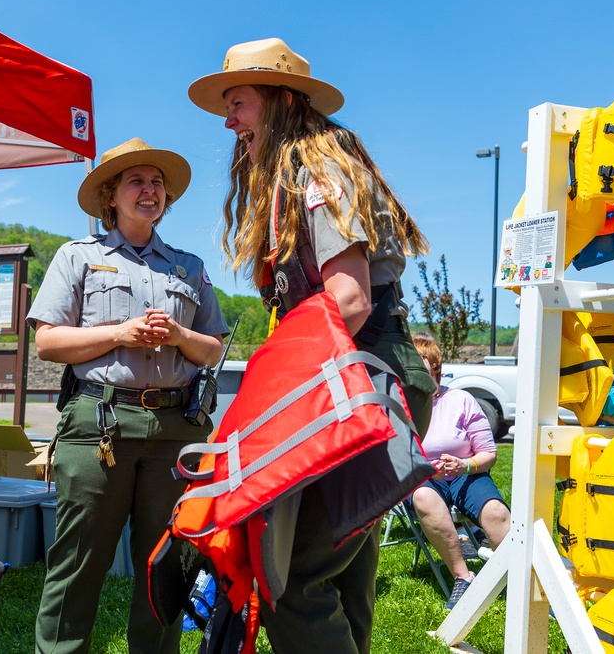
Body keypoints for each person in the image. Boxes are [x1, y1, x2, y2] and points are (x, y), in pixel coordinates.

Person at [188, 38, 436, 653]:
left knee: (293, 577)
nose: (229, 121)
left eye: (239, 103)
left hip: (363, 375)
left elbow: (348, 301)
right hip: (370, 374)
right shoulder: (312, 168)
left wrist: (273, 400)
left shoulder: (317, 171)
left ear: (280, 101)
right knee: (345, 568)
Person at [28, 137, 228, 654]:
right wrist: (120, 333)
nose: (149, 190)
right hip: (99, 425)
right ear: (111, 196)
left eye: (157, 182)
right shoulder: (78, 257)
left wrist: (181, 337)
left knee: (166, 565)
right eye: (136, 181)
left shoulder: (188, 266)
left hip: (175, 432)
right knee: (77, 563)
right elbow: (47, 341)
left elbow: (212, 350)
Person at [410, 332, 511, 610]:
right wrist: (424, 468)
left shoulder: (461, 400)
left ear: (435, 366)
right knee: (423, 498)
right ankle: (463, 577)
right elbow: (393, 457)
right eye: (410, 360)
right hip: (423, 480)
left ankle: (523, 577)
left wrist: (465, 465)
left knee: (495, 512)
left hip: (468, 473)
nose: (416, 366)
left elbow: (489, 454)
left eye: (422, 359)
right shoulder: (402, 406)